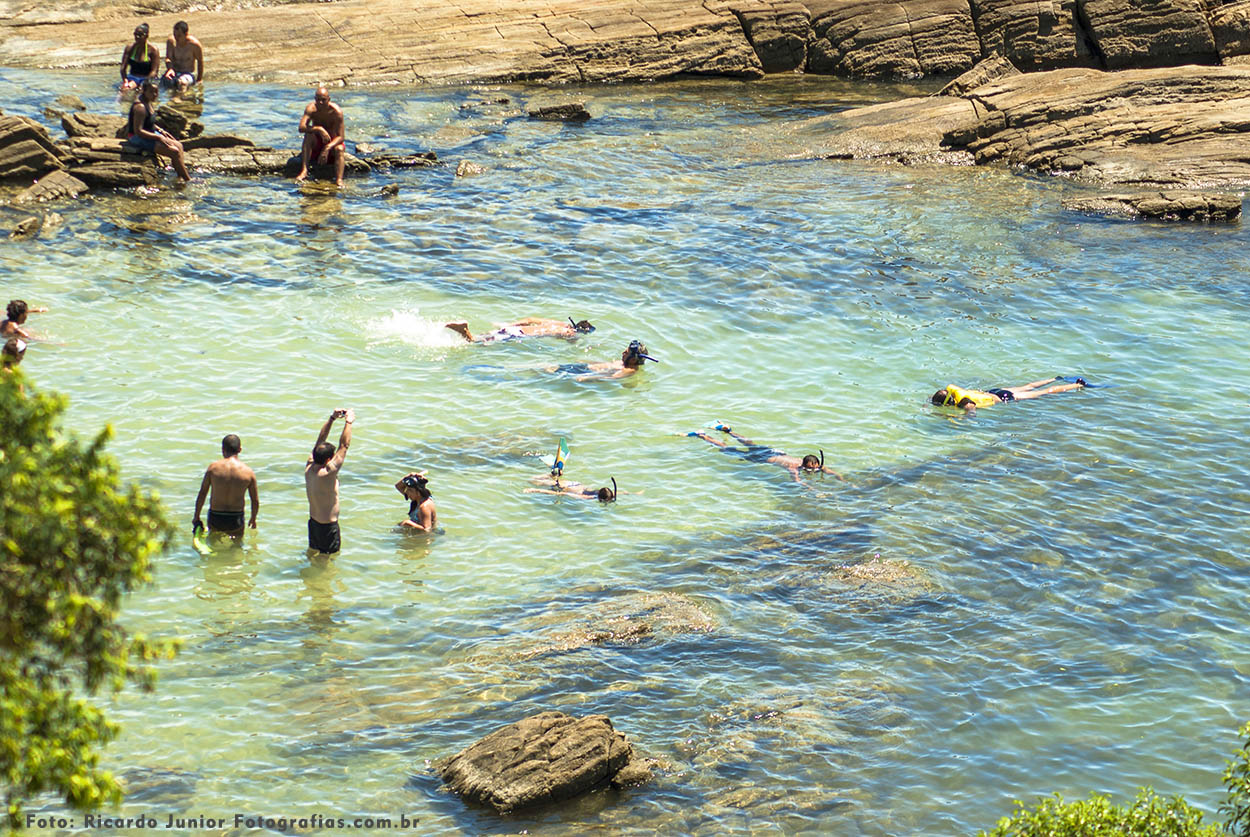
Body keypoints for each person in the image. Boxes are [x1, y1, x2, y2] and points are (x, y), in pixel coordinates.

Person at [688, 424, 842, 482]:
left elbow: (827, 470)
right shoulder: (793, 467)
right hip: (763, 457)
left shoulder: (807, 463)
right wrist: (813, 491)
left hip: (773, 451)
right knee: (727, 449)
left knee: (749, 443)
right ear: (805, 464)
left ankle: (729, 431)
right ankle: (702, 436)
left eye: (815, 467)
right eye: (811, 468)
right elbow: (797, 481)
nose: (814, 469)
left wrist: (843, 480)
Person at [305, 408, 353, 555]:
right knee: (328, 560)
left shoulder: (309, 467)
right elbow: (344, 446)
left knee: (313, 554)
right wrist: (349, 422)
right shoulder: (328, 473)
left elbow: (320, 441)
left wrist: (332, 418)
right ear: (328, 460)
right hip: (328, 527)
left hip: (313, 523)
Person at [192, 434, 259, 538]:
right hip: (236, 518)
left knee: (213, 542)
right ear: (240, 450)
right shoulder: (248, 472)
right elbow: (255, 500)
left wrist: (196, 516)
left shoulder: (213, 468)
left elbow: (203, 493)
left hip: (216, 516)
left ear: (222, 449)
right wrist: (253, 519)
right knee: (237, 545)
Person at [128, 80, 191, 182]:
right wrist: (159, 137)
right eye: (151, 92)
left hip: (150, 133)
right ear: (144, 91)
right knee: (174, 152)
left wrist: (161, 131)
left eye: (156, 92)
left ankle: (180, 174)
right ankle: (187, 179)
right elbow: (138, 131)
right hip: (136, 137)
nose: (155, 95)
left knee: (179, 145)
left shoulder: (148, 102)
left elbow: (149, 122)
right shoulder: (140, 107)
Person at [931, 377, 1085, 413]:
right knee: (1029, 386)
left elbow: (971, 408)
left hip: (1004, 398)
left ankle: (1077, 385)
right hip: (994, 391)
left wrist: (966, 418)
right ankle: (1055, 378)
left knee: (1044, 393)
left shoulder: (963, 401)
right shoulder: (953, 390)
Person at [296, 86, 346, 187]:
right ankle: (304, 170)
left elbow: (341, 137)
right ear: (315, 99)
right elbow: (301, 128)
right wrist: (319, 129)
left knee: (340, 148)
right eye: (318, 100)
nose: (320, 103)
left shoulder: (336, 112)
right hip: (317, 143)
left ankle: (339, 179)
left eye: (323, 100)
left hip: (332, 144)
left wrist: (327, 147)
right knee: (308, 135)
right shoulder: (311, 109)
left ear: (329, 99)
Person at [548, 340, 657, 381]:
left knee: (547, 370)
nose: (622, 353)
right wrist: (587, 362)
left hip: (585, 373)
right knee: (547, 368)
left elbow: (611, 377)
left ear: (633, 359)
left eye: (626, 353)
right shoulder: (624, 363)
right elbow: (606, 365)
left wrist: (587, 378)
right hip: (584, 368)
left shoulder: (629, 370)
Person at [445, 317, 594, 343]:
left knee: (480, 338)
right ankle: (463, 329)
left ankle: (462, 329)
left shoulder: (557, 323)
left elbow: (530, 319)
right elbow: (571, 341)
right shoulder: (569, 332)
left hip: (513, 329)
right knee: (475, 343)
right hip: (518, 335)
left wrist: (509, 324)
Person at [163, 21, 203, 92]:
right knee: (161, 84)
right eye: (174, 35)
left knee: (182, 83)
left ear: (186, 34)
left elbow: (200, 61)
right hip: (174, 71)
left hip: (187, 73)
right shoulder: (171, 41)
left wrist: (199, 79)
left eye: (179, 36)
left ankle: (182, 98)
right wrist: (170, 69)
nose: (176, 38)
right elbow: (168, 58)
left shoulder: (194, 45)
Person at [119, 23, 160, 89]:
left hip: (148, 78)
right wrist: (125, 81)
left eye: (140, 35)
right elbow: (123, 68)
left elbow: (154, 71)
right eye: (135, 34)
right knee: (125, 89)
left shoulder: (153, 50)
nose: (137, 37)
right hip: (133, 78)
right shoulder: (130, 48)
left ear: (146, 36)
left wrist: (145, 83)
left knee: (145, 90)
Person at [525, 474, 623, 502]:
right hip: (565, 488)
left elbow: (615, 493)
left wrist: (628, 493)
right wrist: (535, 490)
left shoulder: (598, 492)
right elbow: (560, 493)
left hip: (576, 484)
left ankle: (553, 475)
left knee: (534, 480)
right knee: (531, 480)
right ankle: (550, 474)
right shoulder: (586, 497)